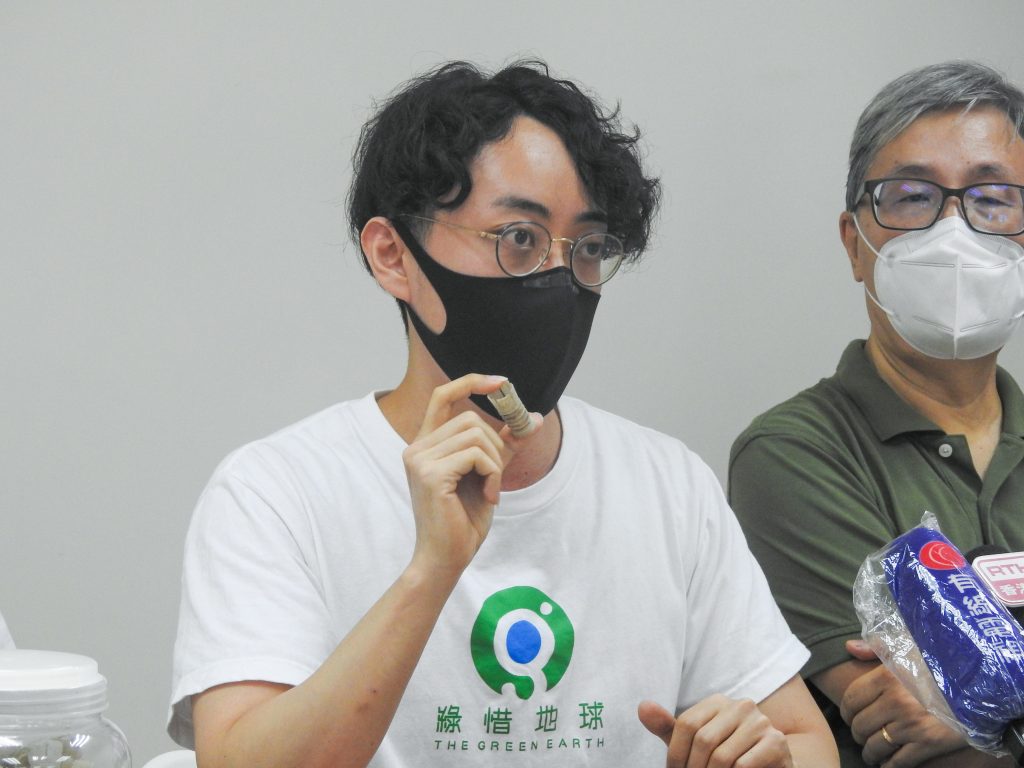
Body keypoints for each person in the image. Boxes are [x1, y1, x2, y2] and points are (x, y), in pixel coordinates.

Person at [168, 59, 836, 767]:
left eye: (588, 249)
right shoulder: (277, 491)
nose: (559, 278)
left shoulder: (667, 484)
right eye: (519, 238)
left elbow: (806, 744)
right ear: (393, 255)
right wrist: (431, 571)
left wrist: (757, 757)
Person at [729, 60, 1024, 768]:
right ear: (853, 242)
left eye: (992, 198)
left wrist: (990, 708)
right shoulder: (794, 454)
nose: (953, 231)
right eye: (912, 197)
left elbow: (965, 715)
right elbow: (919, 729)